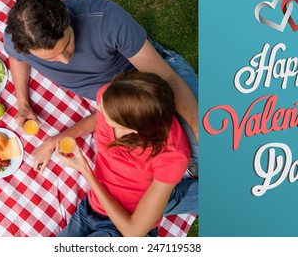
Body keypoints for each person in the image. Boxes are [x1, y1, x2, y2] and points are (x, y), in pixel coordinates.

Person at [4, 0, 199, 176]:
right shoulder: (19, 41)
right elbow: (16, 58)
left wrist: (198, 128)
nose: (65, 60)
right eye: (51, 58)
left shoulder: (107, 19)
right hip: (119, 109)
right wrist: (23, 104)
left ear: (67, 18)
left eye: (67, 45)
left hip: (152, 81)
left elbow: (168, 79)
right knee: (157, 180)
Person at [52, 72, 198, 237]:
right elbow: (99, 117)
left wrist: (86, 171)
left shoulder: (172, 157)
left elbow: (133, 232)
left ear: (134, 129)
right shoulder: (112, 94)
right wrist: (54, 140)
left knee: (170, 195)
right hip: (90, 207)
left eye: (106, 112)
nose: (99, 106)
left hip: (124, 227)